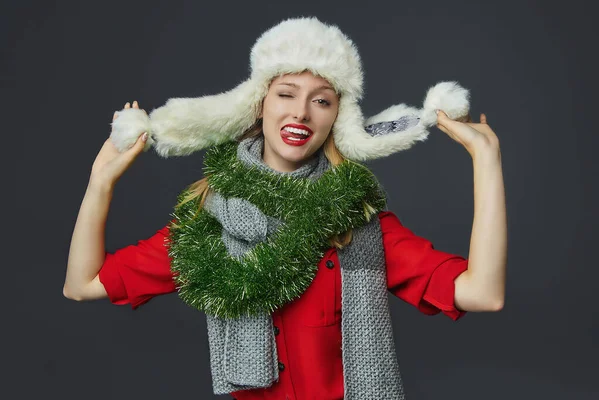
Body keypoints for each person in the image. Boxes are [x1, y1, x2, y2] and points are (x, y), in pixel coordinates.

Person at [63, 17, 506, 400]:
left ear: (338, 117)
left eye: (322, 100)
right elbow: (82, 284)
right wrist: (100, 183)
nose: (301, 114)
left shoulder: (358, 225)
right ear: (259, 102)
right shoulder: (208, 225)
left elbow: (482, 292)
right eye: (286, 93)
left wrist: (487, 163)